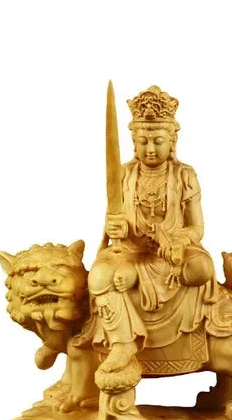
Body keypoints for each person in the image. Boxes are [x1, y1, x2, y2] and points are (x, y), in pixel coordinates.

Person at [81, 86, 215, 375]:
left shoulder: (184, 175)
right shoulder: (124, 174)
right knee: (101, 276)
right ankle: (122, 343)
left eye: (157, 141)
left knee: (202, 269)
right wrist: (113, 227)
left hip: (172, 254)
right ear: (133, 142)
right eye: (143, 141)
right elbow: (114, 219)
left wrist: (179, 240)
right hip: (132, 251)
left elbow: (197, 226)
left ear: (172, 141)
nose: (150, 149)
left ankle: (140, 281)